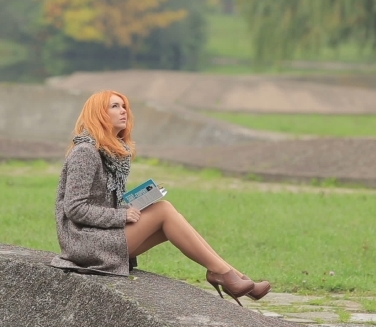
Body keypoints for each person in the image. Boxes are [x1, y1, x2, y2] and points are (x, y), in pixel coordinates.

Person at [49, 90, 270, 306]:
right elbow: (75, 208)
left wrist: (140, 200)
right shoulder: (85, 152)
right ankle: (225, 275)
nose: (123, 111)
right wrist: (122, 215)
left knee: (167, 220)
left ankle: (235, 278)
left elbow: (104, 201)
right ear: (98, 114)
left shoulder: (109, 153)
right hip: (84, 242)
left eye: (124, 106)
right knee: (164, 210)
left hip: (101, 235)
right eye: (114, 106)